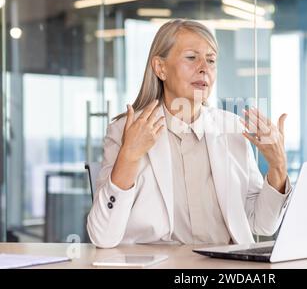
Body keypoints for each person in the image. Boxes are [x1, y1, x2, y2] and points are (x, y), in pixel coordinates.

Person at [87, 19, 292, 248]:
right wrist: (129, 156)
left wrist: (278, 168)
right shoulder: (126, 131)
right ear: (160, 68)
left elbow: (262, 224)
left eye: (211, 60)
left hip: (224, 267)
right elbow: (103, 237)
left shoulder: (232, 129)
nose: (204, 67)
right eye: (192, 57)